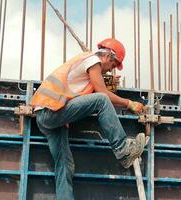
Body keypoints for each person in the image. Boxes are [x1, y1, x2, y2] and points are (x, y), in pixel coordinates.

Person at [30, 38, 145, 199]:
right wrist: (129, 103)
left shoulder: (85, 62)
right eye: (112, 66)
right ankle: (123, 151)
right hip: (52, 112)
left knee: (65, 165)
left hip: (45, 116)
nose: (109, 71)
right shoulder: (92, 60)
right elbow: (102, 93)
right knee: (101, 100)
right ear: (106, 57)